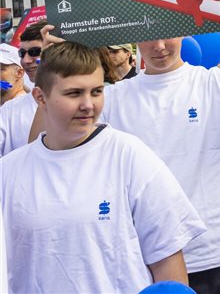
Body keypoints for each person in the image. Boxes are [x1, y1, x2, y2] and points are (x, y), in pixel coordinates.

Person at [0, 42, 205, 293]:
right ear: (40, 97)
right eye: (74, 93)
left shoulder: (131, 156)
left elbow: (168, 266)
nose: (88, 104)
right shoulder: (8, 171)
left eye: (96, 91)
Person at [96, 35, 220, 293]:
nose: (159, 46)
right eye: (148, 37)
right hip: (151, 260)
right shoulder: (114, 97)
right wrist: (53, 63)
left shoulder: (216, 82)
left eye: (167, 35)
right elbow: (48, 139)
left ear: (182, 32)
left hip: (219, 254)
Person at [0, 21, 47, 156]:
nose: (26, 60)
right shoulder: (7, 111)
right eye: (22, 53)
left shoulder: (87, 102)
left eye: (34, 52)